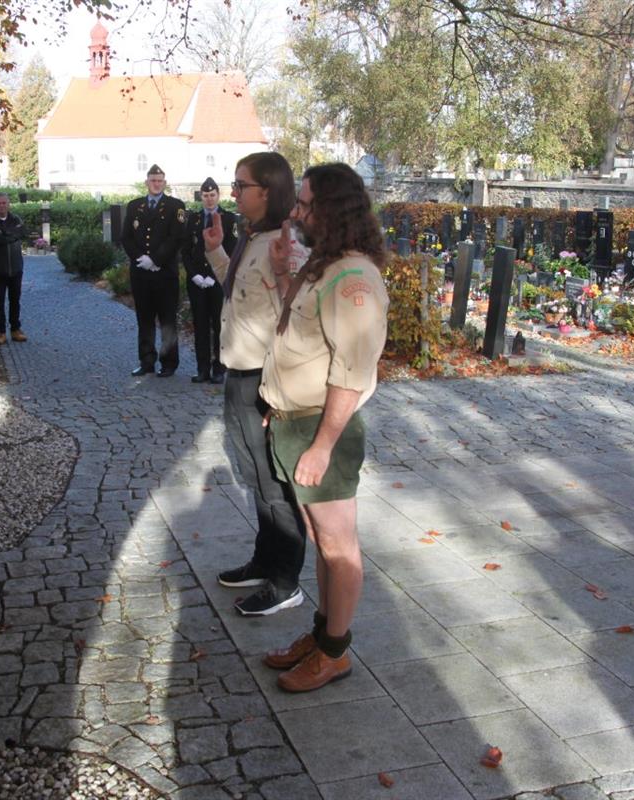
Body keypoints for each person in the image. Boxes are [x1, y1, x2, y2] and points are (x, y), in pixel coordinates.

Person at [259, 163, 389, 692]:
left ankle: (335, 652)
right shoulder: (326, 264)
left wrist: (321, 446)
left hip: (322, 430)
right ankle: (322, 634)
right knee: (320, 539)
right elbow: (300, 335)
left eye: (304, 204)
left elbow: (351, 373)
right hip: (298, 424)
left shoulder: (353, 277)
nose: (296, 212)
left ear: (331, 209)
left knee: (338, 544)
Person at [202, 152, 309, 617]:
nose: (233, 192)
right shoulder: (254, 237)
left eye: (241, 185)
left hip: (265, 380)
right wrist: (216, 251)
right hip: (239, 373)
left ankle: (286, 581)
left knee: (274, 484)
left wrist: (281, 394)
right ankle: (265, 561)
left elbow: (300, 314)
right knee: (255, 479)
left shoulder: (285, 242)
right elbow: (241, 294)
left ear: (267, 191)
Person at [122, 164, 186, 377]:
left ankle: (169, 363)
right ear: (146, 182)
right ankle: (146, 361)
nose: (156, 184)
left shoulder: (175, 206)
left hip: (165, 273)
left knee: (167, 320)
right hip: (141, 272)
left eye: (160, 181)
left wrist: (156, 259)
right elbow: (126, 237)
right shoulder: (134, 206)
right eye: (153, 180)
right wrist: (141, 258)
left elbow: (176, 237)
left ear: (164, 183)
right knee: (144, 319)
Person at [181, 177, 236, 384]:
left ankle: (219, 368)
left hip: (218, 281)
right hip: (197, 282)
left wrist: (214, 277)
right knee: (200, 325)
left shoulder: (228, 218)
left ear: (218, 196)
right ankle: (202, 368)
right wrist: (193, 274)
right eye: (205, 196)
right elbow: (186, 250)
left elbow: (232, 251)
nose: (209, 199)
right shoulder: (193, 219)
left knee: (219, 325)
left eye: (212, 195)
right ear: (201, 197)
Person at [0, 192, 27, 345]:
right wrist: (9, 236)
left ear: (8, 204)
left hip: (16, 267)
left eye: (4, 203)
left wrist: (5, 235)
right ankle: (0, 332)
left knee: (15, 300)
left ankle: (15, 329)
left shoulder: (16, 219)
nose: (2, 206)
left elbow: (21, 233)